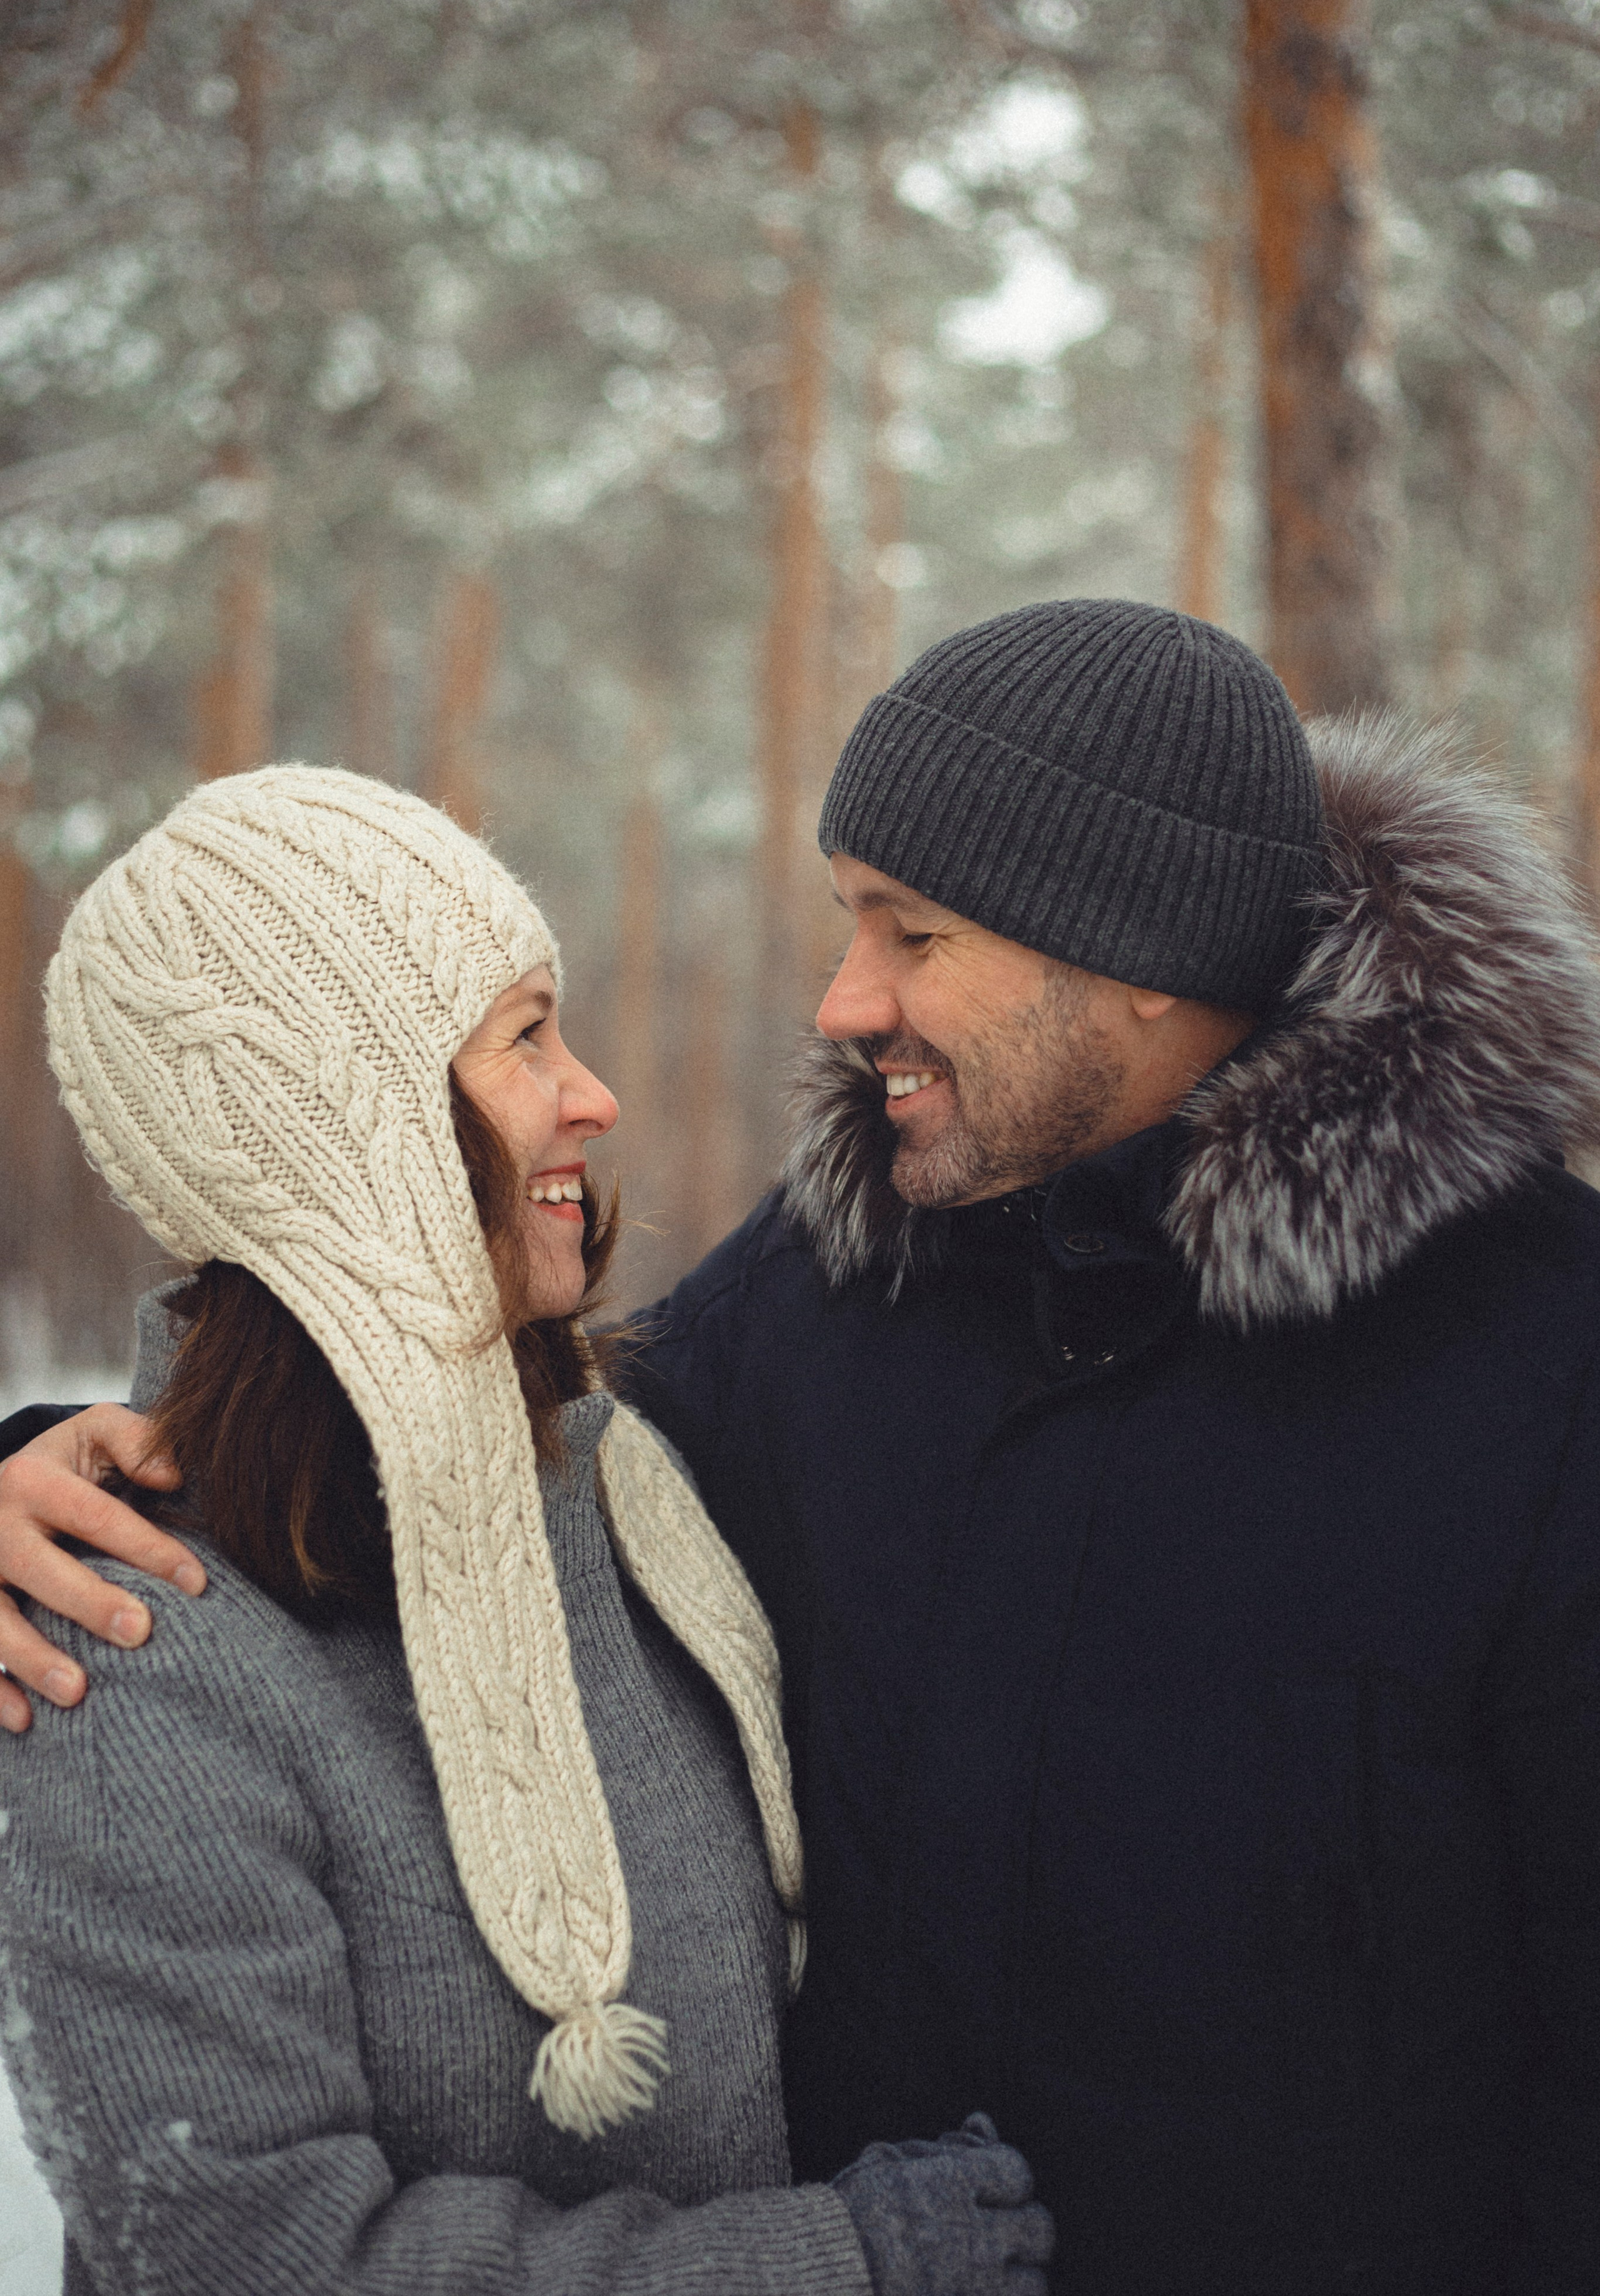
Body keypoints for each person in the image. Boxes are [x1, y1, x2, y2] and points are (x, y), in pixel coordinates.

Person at [4, 596, 1599, 2293]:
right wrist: (62, 1474)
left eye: (913, 935)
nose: (842, 1003)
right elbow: (468, 1448)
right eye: (849, 922)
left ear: (1139, 948)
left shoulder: (1541, 1363)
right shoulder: (841, 1277)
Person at [0, 764, 1052, 2296]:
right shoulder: (131, 1651)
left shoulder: (627, 1500)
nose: (592, 1094)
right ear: (348, 1121)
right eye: (523, 1037)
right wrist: (828, 2266)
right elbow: (252, 2256)